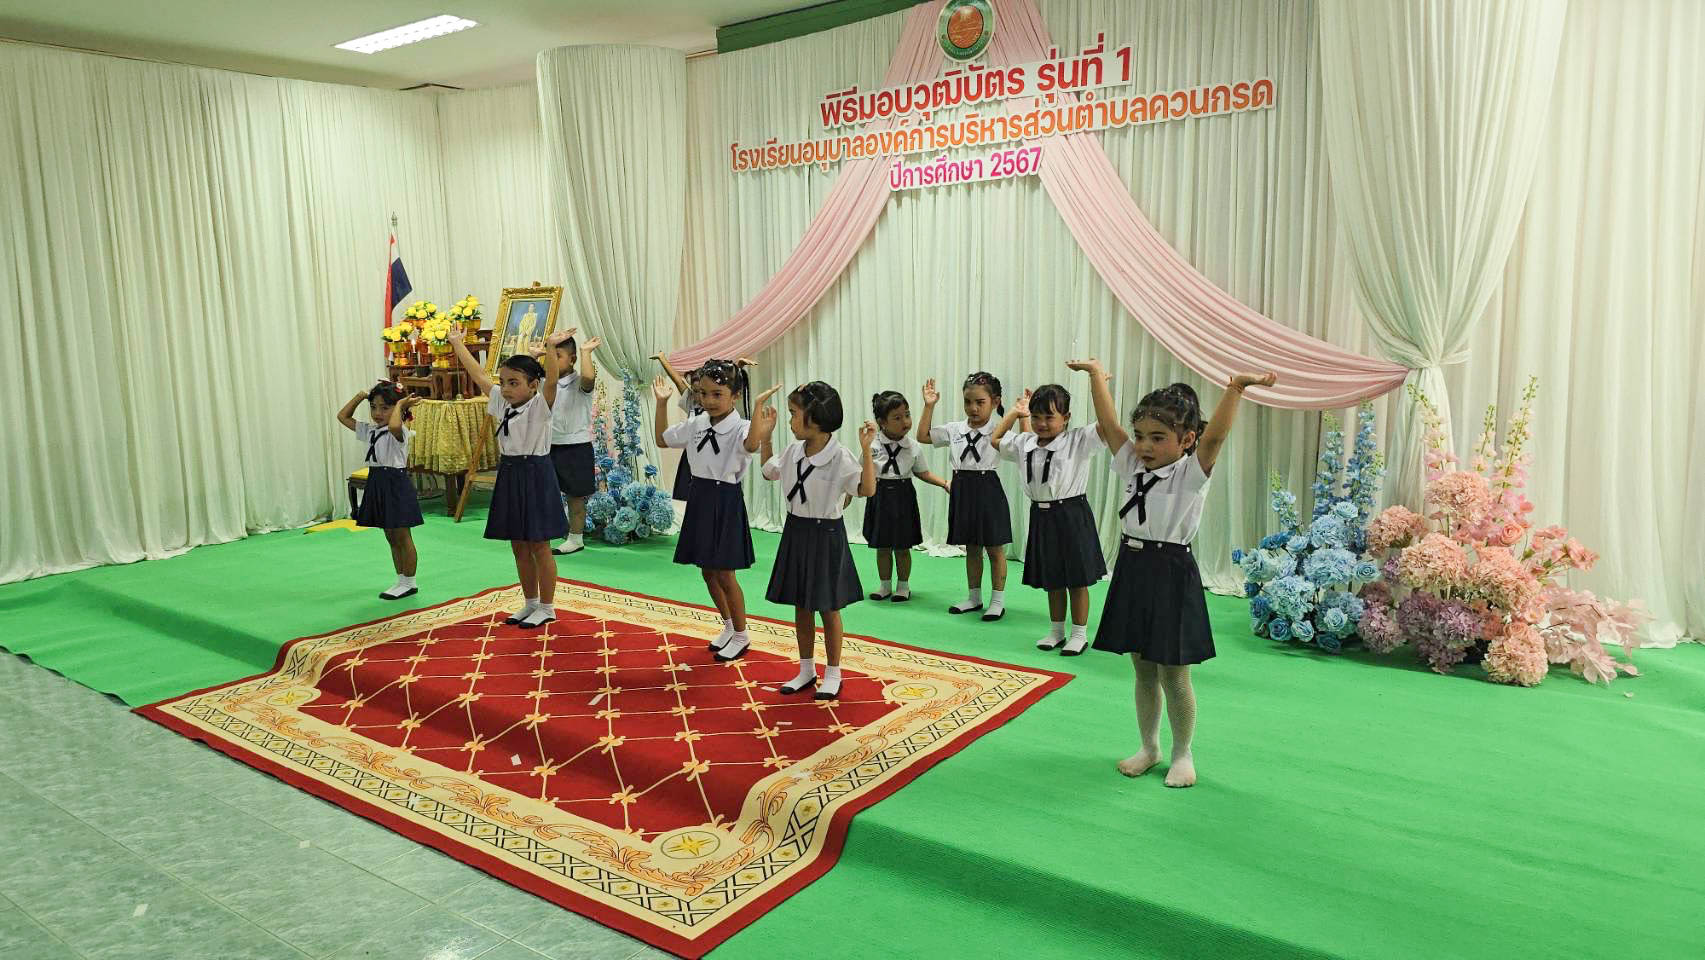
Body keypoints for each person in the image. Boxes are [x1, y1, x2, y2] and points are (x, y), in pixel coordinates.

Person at [1074, 357, 1276, 788]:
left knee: (1173, 672)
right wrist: (1095, 376)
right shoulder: (1131, 464)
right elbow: (1109, 424)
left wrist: (1236, 389)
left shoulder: (1190, 473)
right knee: (1142, 668)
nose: (1144, 446)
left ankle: (1183, 753)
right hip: (1132, 568)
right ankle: (1149, 747)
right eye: (1140, 436)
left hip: (1170, 571)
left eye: (1157, 438)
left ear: (1186, 440)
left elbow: (1216, 436)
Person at [653, 358, 782, 661]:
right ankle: (728, 625)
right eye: (703, 393)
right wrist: (661, 403)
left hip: (725, 500)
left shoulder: (743, 427)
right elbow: (662, 440)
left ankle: (742, 634)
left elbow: (751, 446)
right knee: (707, 571)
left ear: (734, 396)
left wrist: (758, 408)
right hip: (699, 497)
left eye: (717, 394)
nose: (708, 400)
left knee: (725, 573)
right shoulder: (696, 422)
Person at [758, 382, 877, 700]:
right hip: (796, 531)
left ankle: (833, 672)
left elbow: (866, 490)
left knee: (828, 606)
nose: (790, 420)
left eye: (793, 414)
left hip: (826, 535)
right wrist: (766, 438)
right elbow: (768, 471)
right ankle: (806, 669)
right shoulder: (793, 451)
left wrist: (866, 451)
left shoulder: (840, 456)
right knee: (801, 603)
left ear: (815, 417)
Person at [449, 326, 572, 628]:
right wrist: (457, 343)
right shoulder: (502, 403)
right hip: (510, 473)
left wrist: (551, 347)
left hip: (536, 474)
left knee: (539, 544)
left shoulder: (540, 405)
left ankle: (547, 607)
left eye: (514, 383)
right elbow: (479, 376)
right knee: (518, 544)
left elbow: (552, 381)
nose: (505, 388)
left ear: (533, 386)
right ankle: (530, 602)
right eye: (503, 382)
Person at [989, 383, 1107, 654]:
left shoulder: (1078, 441)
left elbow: (1106, 425)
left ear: (1066, 417)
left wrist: (1098, 382)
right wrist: (1015, 413)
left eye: (1049, 417)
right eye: (1036, 417)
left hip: (1072, 514)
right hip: (1041, 516)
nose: (1041, 423)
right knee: (1053, 578)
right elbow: (995, 440)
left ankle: (1079, 634)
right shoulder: (1025, 443)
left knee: (1076, 579)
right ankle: (1056, 631)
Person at [917, 372, 1016, 620]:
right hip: (962, 487)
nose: (973, 408)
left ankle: (997, 601)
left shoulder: (998, 429)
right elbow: (923, 436)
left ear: (995, 402)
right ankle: (974, 597)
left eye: (980, 402)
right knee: (971, 547)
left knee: (995, 548)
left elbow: (1022, 445)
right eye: (968, 402)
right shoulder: (955, 429)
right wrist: (929, 406)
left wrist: (1019, 415)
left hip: (988, 487)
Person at [336, 383, 423, 600]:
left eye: (385, 408)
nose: (377, 413)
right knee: (390, 535)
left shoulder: (400, 431)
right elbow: (343, 416)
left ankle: (410, 582)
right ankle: (400, 579)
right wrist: (361, 395)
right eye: (373, 407)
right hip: (377, 481)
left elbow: (394, 425)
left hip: (395, 482)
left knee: (402, 535)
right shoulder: (370, 431)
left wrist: (401, 405)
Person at [864, 390, 951, 601]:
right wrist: (848, 494)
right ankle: (884, 586)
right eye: (897, 418)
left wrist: (944, 483)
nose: (905, 421)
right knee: (882, 546)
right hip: (879, 496)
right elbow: (861, 472)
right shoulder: (871, 445)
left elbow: (923, 473)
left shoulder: (913, 446)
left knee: (902, 547)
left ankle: (903, 586)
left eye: (907, 415)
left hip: (903, 497)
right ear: (882, 422)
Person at [547, 332, 602, 556]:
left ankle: (576, 538)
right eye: (550, 356)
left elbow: (589, 377)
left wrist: (586, 352)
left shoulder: (580, 382)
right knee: (545, 493)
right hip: (548, 445)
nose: (551, 360)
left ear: (572, 360)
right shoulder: (546, 382)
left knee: (575, 497)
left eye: (557, 356)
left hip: (576, 446)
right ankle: (549, 531)